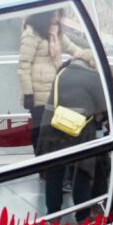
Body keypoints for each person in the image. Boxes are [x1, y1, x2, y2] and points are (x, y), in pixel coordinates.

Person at [37, 59, 108, 222]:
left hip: (55, 127)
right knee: (82, 171)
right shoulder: (93, 77)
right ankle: (82, 215)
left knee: (55, 172)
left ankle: (53, 215)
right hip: (80, 131)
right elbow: (104, 107)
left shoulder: (61, 73)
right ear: (91, 64)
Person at [18, 9, 95, 153]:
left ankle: (51, 162)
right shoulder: (31, 34)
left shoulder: (55, 32)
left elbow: (74, 50)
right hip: (38, 91)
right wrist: (28, 93)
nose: (58, 18)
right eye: (55, 15)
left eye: (60, 15)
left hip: (54, 89)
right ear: (44, 15)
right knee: (39, 129)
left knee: (52, 128)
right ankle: (41, 162)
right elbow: (23, 65)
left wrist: (92, 56)